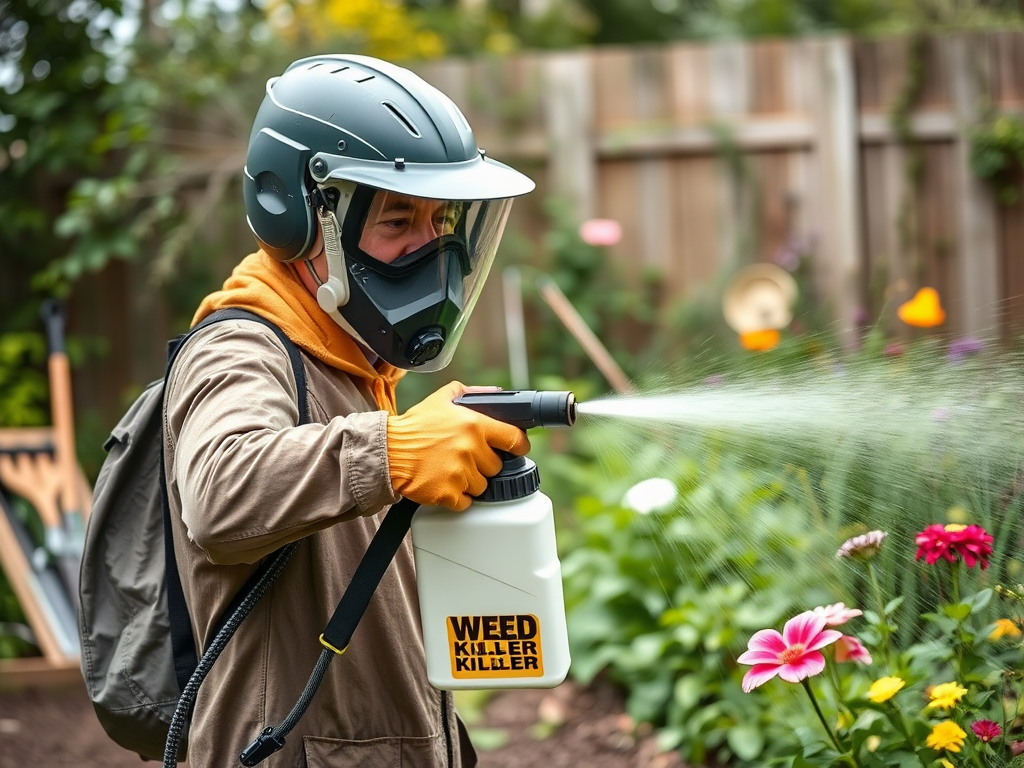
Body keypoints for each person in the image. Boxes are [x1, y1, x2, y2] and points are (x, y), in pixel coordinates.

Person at [163, 53, 535, 768]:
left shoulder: (354, 356)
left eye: (442, 221)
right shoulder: (242, 347)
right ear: (302, 216)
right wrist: (392, 453)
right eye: (399, 219)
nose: (432, 250)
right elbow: (218, 494)